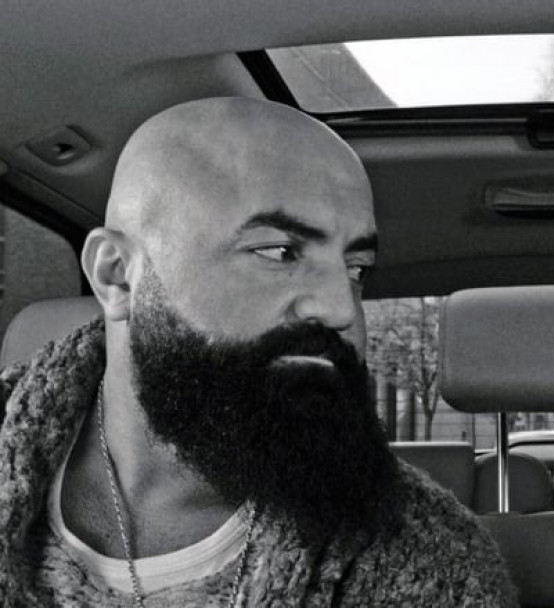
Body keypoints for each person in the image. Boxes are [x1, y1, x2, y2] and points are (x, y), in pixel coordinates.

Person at [0, 97, 516, 606]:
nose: (342, 309)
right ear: (117, 276)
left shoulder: (433, 568)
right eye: (278, 252)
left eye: (356, 269)